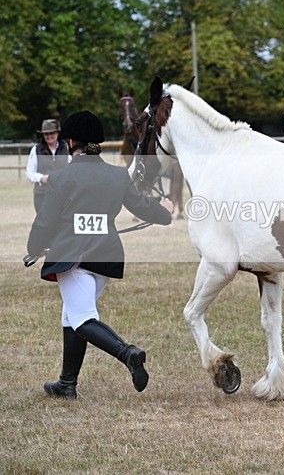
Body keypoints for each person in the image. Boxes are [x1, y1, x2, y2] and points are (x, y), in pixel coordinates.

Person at [26, 110, 174, 399]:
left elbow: (45, 222)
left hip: (74, 256)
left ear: (71, 142)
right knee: (71, 315)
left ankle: (128, 354)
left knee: (82, 317)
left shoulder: (61, 178)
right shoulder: (117, 175)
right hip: (106, 256)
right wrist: (165, 213)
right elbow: (142, 207)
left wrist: (33, 249)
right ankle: (67, 383)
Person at [26, 119, 71, 213]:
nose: (49, 136)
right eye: (46, 134)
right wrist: (41, 178)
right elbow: (29, 172)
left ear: (57, 133)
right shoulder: (36, 150)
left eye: (52, 133)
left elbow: (72, 168)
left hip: (63, 194)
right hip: (42, 194)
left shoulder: (66, 148)